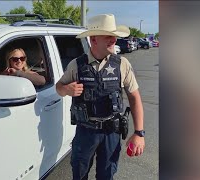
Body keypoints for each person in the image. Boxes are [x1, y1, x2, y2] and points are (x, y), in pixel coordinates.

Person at [56, 14, 145, 180]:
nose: (114, 40)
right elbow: (58, 88)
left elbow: (134, 97)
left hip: (111, 131)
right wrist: (67, 89)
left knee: (107, 175)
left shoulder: (122, 64)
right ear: (93, 40)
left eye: (115, 36)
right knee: (79, 173)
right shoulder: (76, 64)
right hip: (85, 132)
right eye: (108, 36)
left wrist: (139, 133)